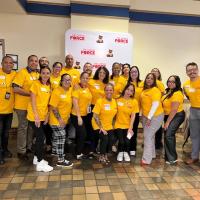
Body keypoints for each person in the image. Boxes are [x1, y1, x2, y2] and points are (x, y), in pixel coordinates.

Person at [13, 55, 39, 160]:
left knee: (31, 128)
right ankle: (21, 151)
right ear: (28, 62)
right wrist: (31, 94)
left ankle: (28, 147)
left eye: (36, 61)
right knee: (23, 128)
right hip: (22, 106)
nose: (34, 62)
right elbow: (15, 88)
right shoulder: (22, 73)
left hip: (32, 106)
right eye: (31, 60)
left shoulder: (37, 74)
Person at [27, 66, 53, 172]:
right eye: (43, 73)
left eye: (47, 73)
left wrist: (46, 116)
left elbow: (48, 103)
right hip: (34, 116)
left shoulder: (49, 86)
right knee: (40, 138)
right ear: (40, 74)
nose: (45, 75)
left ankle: (36, 159)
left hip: (43, 116)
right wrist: (36, 116)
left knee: (40, 137)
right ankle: (40, 163)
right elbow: (33, 101)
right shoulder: (35, 84)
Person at [49, 73, 73, 167]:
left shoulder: (70, 90)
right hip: (56, 120)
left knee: (56, 137)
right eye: (65, 80)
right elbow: (53, 107)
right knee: (61, 137)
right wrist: (60, 119)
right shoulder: (57, 91)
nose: (67, 81)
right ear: (61, 81)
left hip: (64, 120)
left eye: (69, 80)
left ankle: (55, 153)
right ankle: (60, 160)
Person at [140, 73, 164, 165]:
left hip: (155, 116)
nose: (149, 79)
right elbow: (143, 104)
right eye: (147, 78)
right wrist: (142, 115)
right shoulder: (144, 90)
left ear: (154, 81)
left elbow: (155, 105)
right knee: (151, 136)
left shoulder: (155, 90)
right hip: (146, 116)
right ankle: (152, 154)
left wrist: (149, 118)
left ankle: (146, 159)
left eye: (151, 78)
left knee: (147, 136)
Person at [162, 75, 185, 164]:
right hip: (168, 115)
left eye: (173, 82)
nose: (170, 83)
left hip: (177, 115)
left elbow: (174, 110)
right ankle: (168, 156)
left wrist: (167, 122)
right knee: (168, 135)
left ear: (177, 83)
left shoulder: (178, 93)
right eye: (169, 81)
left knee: (168, 134)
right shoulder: (168, 92)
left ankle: (172, 158)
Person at [92, 83, 117, 164]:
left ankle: (105, 153)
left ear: (113, 91)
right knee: (105, 138)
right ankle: (101, 155)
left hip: (108, 125)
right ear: (104, 91)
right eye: (107, 90)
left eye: (110, 90)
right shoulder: (100, 101)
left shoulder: (114, 101)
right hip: (98, 124)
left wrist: (113, 126)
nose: (108, 92)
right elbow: (95, 116)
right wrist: (101, 128)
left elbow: (114, 115)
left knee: (111, 139)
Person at [115, 83, 139, 162]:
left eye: (131, 91)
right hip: (118, 124)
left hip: (127, 125)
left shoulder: (134, 101)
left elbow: (133, 115)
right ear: (124, 89)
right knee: (121, 141)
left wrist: (130, 127)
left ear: (133, 93)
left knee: (127, 141)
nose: (129, 92)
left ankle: (125, 153)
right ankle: (120, 153)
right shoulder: (117, 100)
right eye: (128, 89)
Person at [71, 72, 92, 159]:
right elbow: (75, 103)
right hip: (76, 115)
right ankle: (78, 153)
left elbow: (88, 101)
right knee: (82, 134)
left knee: (81, 134)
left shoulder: (87, 88)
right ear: (80, 78)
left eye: (87, 78)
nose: (85, 80)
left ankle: (78, 151)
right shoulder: (76, 89)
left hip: (85, 115)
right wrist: (79, 117)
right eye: (83, 78)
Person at [0, 56, 16, 164]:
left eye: (11, 63)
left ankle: (5, 150)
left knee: (6, 133)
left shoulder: (15, 75)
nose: (8, 64)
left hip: (9, 111)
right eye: (6, 62)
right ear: (2, 63)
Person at [183, 62, 200, 164]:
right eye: (189, 70)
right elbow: (189, 97)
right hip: (193, 110)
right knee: (194, 135)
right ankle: (194, 156)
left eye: (194, 69)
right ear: (186, 72)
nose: (192, 71)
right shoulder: (185, 85)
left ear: (197, 70)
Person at [128, 66, 143, 156]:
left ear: (138, 73)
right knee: (126, 129)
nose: (134, 73)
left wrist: (141, 112)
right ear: (130, 73)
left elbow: (143, 99)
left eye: (135, 71)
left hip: (136, 111)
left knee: (134, 130)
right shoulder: (127, 83)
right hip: (126, 111)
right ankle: (126, 146)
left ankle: (132, 147)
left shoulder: (142, 84)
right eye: (132, 72)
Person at [151, 68, 165, 149]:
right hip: (149, 109)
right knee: (150, 127)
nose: (154, 72)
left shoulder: (159, 83)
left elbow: (163, 94)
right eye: (152, 71)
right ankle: (150, 142)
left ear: (159, 74)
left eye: (156, 71)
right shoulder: (149, 83)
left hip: (158, 109)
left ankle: (158, 142)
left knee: (158, 127)